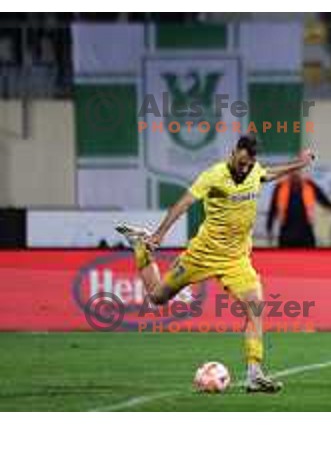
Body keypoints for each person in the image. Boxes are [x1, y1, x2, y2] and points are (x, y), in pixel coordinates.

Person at [116, 135, 315, 393]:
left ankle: (254, 373)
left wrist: (299, 163)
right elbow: (183, 204)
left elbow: (268, 174)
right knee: (157, 297)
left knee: (255, 307)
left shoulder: (254, 170)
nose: (244, 169)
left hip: (236, 260)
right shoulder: (213, 175)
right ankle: (141, 247)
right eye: (241, 163)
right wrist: (159, 235)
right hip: (202, 255)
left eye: (248, 164)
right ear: (233, 153)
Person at [267, 170, 331, 248]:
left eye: (298, 171)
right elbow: (272, 208)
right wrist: (269, 227)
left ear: (302, 172)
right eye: (293, 171)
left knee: (309, 256)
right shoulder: (280, 187)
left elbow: (323, 199)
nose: (295, 173)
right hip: (287, 230)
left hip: (305, 229)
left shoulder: (310, 185)